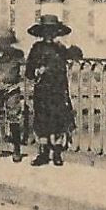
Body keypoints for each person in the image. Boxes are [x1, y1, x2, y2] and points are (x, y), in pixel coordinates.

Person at [25, 14, 77, 167]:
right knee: (42, 120)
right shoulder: (37, 48)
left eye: (53, 31)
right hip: (42, 90)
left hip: (58, 89)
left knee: (58, 120)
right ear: (42, 32)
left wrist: (70, 49)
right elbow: (29, 70)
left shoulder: (60, 48)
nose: (50, 34)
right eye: (47, 31)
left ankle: (57, 153)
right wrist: (36, 71)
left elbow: (76, 56)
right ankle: (43, 153)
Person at [0, 28, 27, 162]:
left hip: (12, 90)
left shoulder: (18, 54)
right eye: (0, 41)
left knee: (14, 119)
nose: (3, 44)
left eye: (6, 41)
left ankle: (17, 150)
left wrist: (18, 84)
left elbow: (23, 71)